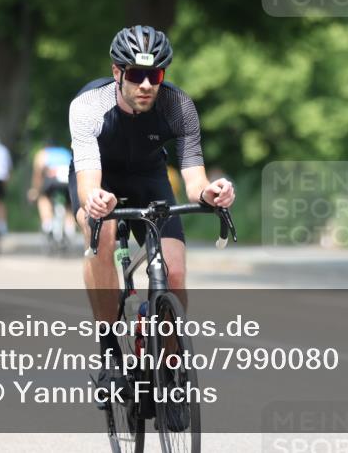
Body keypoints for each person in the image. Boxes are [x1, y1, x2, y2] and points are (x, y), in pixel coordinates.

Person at [69, 25, 235, 395]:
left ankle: (169, 374)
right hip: (100, 177)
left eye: (155, 75)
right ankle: (110, 352)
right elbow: (87, 184)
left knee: (174, 273)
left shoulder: (179, 106)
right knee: (103, 233)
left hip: (149, 177)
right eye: (136, 74)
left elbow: (195, 180)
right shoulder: (88, 106)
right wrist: (96, 199)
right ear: (117, 72)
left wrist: (213, 193)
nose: (146, 84)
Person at [28, 139, 76, 239]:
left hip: (52, 179)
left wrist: (35, 190)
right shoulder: (65, 152)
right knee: (68, 203)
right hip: (67, 178)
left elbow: (38, 174)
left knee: (43, 197)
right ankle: (70, 227)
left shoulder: (43, 153)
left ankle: (47, 223)